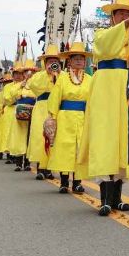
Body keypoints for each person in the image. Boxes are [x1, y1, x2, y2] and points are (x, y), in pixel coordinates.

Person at [82, 0, 129, 216]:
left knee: (122, 138)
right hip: (105, 89)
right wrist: (124, 28)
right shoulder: (102, 34)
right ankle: (104, 197)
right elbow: (104, 48)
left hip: (125, 89)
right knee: (104, 137)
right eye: (120, 13)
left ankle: (117, 196)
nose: (124, 17)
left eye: (128, 13)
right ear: (113, 17)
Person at [46, 42, 92, 193]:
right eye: (75, 58)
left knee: (80, 149)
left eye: (81, 58)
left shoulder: (90, 79)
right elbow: (55, 97)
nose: (79, 61)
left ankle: (77, 182)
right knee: (64, 148)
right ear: (69, 61)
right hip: (65, 117)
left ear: (85, 62)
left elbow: (93, 100)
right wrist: (52, 117)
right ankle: (64, 181)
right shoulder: (63, 78)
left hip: (83, 117)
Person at [26, 45, 62, 180]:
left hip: (56, 107)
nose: (53, 64)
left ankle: (50, 168)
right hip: (42, 107)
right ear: (45, 62)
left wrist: (57, 74)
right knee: (40, 137)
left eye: (55, 61)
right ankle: (41, 167)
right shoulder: (39, 76)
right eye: (50, 61)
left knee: (54, 137)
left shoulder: (62, 75)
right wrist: (46, 73)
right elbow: (33, 86)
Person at [4, 60, 37, 171]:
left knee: (29, 137)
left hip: (32, 113)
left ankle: (27, 162)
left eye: (31, 71)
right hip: (19, 114)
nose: (29, 74)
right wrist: (21, 86)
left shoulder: (36, 84)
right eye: (27, 72)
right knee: (19, 138)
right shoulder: (18, 85)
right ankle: (18, 163)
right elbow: (13, 94)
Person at [0, 70, 16, 161]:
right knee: (0, 135)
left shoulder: (14, 91)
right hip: (2, 117)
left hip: (11, 115)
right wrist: (2, 106)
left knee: (9, 134)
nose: (6, 84)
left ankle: (10, 153)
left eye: (9, 82)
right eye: (5, 83)